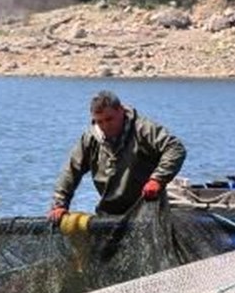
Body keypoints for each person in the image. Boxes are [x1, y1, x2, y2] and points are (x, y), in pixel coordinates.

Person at [48, 90, 186, 221]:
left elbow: (175, 148)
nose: (105, 126)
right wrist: (59, 205)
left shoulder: (142, 129)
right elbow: (71, 171)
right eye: (99, 121)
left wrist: (158, 179)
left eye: (109, 119)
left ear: (121, 110)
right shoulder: (90, 139)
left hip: (148, 208)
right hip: (109, 212)